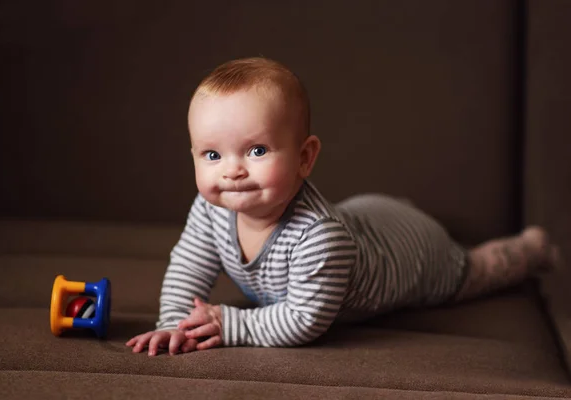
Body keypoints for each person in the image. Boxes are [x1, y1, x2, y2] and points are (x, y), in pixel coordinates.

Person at [126, 57, 559, 356]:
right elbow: (188, 267)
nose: (232, 171)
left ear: (305, 158)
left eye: (256, 150)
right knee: (361, 217)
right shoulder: (210, 210)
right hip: (367, 215)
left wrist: (231, 324)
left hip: (413, 253)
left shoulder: (318, 236)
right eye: (213, 155)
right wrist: (173, 323)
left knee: (472, 270)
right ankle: (395, 209)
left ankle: (530, 248)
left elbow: (303, 319)